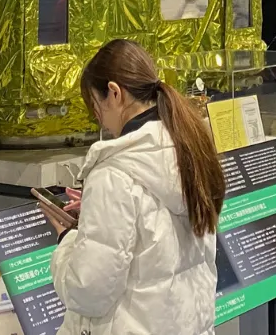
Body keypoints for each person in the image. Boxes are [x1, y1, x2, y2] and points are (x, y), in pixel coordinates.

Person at [39, 39, 224, 335]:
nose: (98, 119)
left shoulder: (113, 173)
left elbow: (88, 291)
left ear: (114, 93)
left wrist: (68, 240)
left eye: (95, 107)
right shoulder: (190, 148)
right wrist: (96, 215)